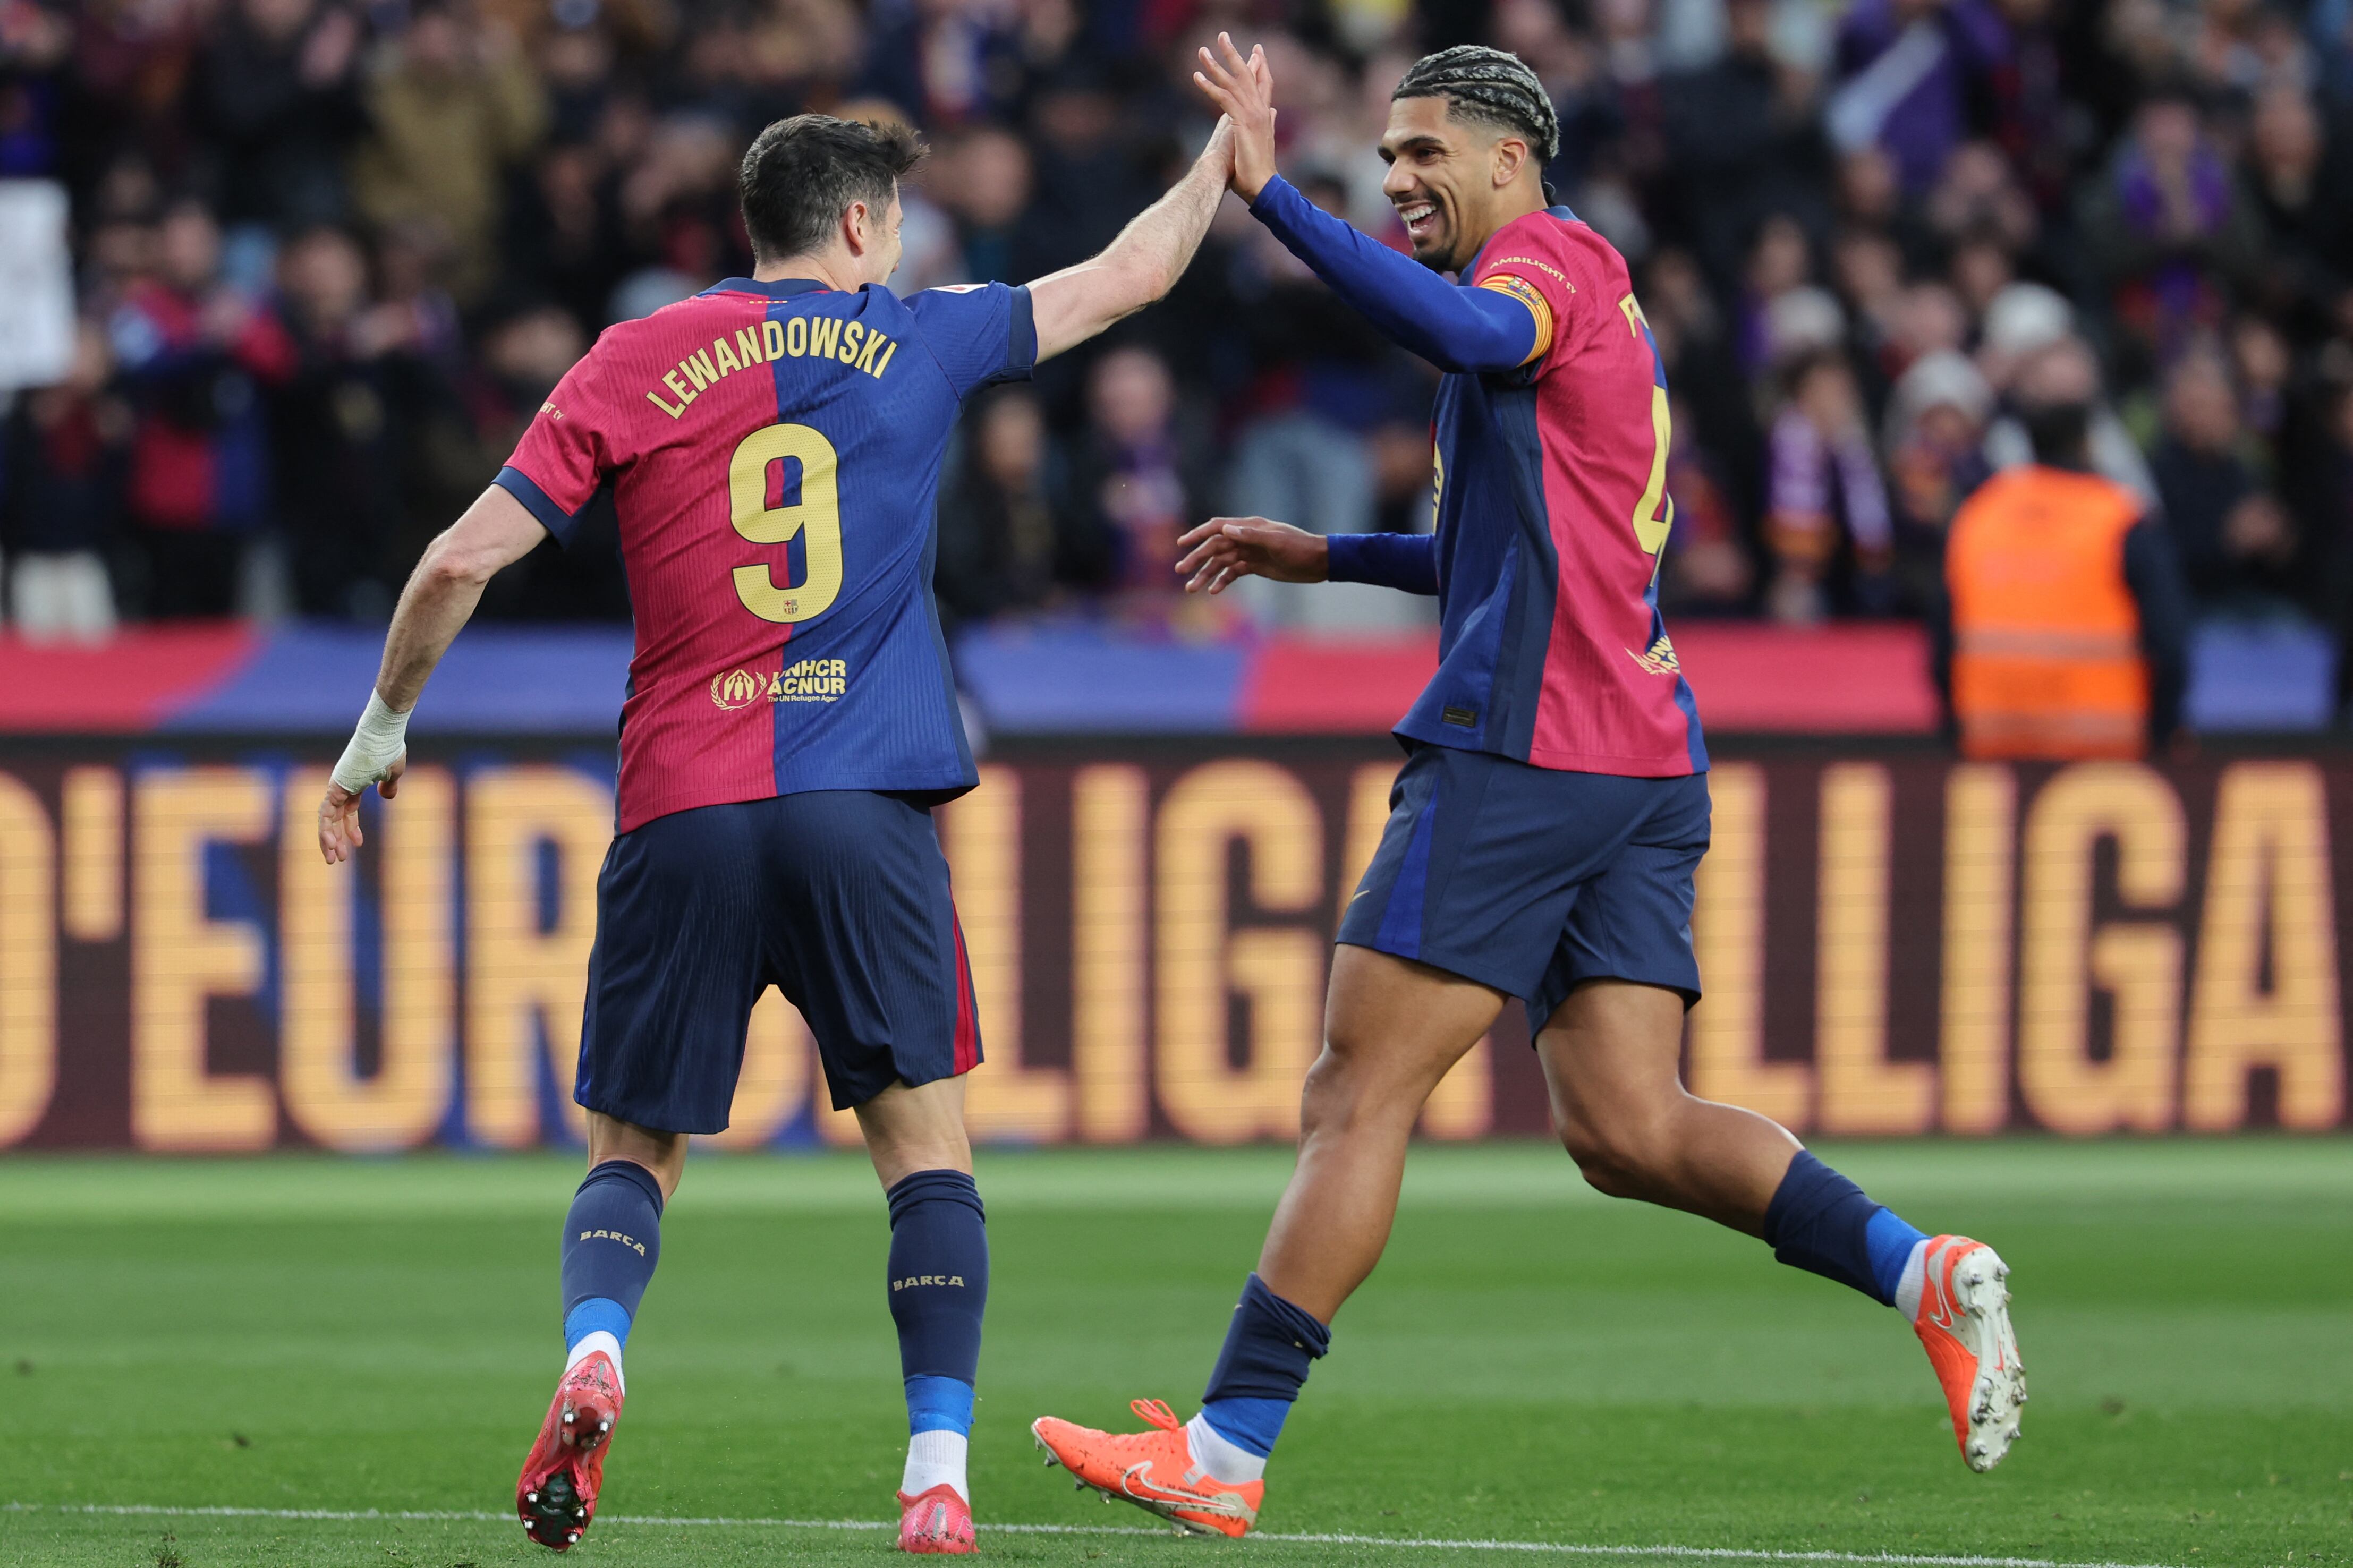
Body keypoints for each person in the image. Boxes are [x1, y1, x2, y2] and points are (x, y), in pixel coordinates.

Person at [1029, 38, 2026, 1540]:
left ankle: (1225, 1449)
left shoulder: (1549, 268)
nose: (1399, 178)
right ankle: (1915, 1270)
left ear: (1510, 158)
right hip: (1635, 754)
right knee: (1626, 1125)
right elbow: (1525, 548)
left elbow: (1470, 339)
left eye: (1424, 153)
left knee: (1355, 1092)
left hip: (1525, 748)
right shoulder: (1596, 310)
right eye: (1386, 157)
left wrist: (1276, 203)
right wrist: (1336, 557)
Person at [315, 109, 1238, 1556]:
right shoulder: (920, 340)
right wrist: (1223, 158)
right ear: (863, 226)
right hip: (859, 804)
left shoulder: (631, 359)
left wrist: (379, 729)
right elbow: (1129, 272)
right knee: (923, 1154)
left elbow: (456, 560)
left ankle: (598, 1351)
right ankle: (936, 1470)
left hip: (684, 803)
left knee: (632, 1149)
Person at [1938, 338, 2191, 758]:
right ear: (2089, 441)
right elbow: (2169, 645)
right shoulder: (2122, 519)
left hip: (1992, 754)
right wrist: (2163, 733)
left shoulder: (1976, 518)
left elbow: (1942, 650)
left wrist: (1956, 733)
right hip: (2104, 757)